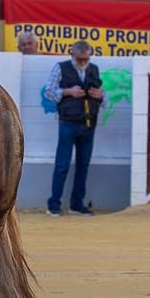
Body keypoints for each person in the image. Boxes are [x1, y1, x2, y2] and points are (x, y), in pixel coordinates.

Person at [45, 40, 103, 216]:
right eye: (80, 59)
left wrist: (99, 95)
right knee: (62, 164)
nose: (84, 63)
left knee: (83, 165)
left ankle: (76, 204)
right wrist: (67, 92)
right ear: (73, 55)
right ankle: (54, 204)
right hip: (68, 122)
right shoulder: (60, 67)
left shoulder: (94, 69)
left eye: (86, 59)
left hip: (88, 123)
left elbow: (103, 96)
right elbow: (49, 91)